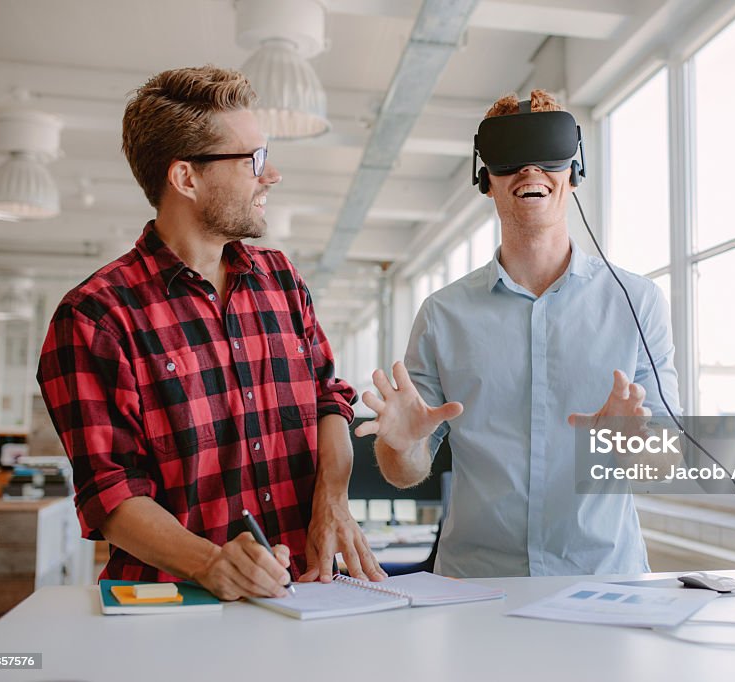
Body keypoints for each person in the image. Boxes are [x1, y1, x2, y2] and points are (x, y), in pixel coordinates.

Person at [37, 65, 385, 600]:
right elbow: (110, 492)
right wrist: (211, 562)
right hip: (175, 610)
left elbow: (328, 399)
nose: (272, 176)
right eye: (255, 161)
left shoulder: (281, 280)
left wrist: (332, 496)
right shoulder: (95, 317)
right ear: (186, 178)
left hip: (306, 596)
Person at [356, 90, 681, 578]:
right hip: (475, 586)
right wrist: (399, 447)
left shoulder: (636, 303)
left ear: (574, 171)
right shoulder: (443, 314)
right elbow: (406, 471)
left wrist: (630, 441)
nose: (530, 171)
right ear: (485, 179)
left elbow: (663, 467)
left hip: (602, 581)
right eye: (510, 158)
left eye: (546, 154)